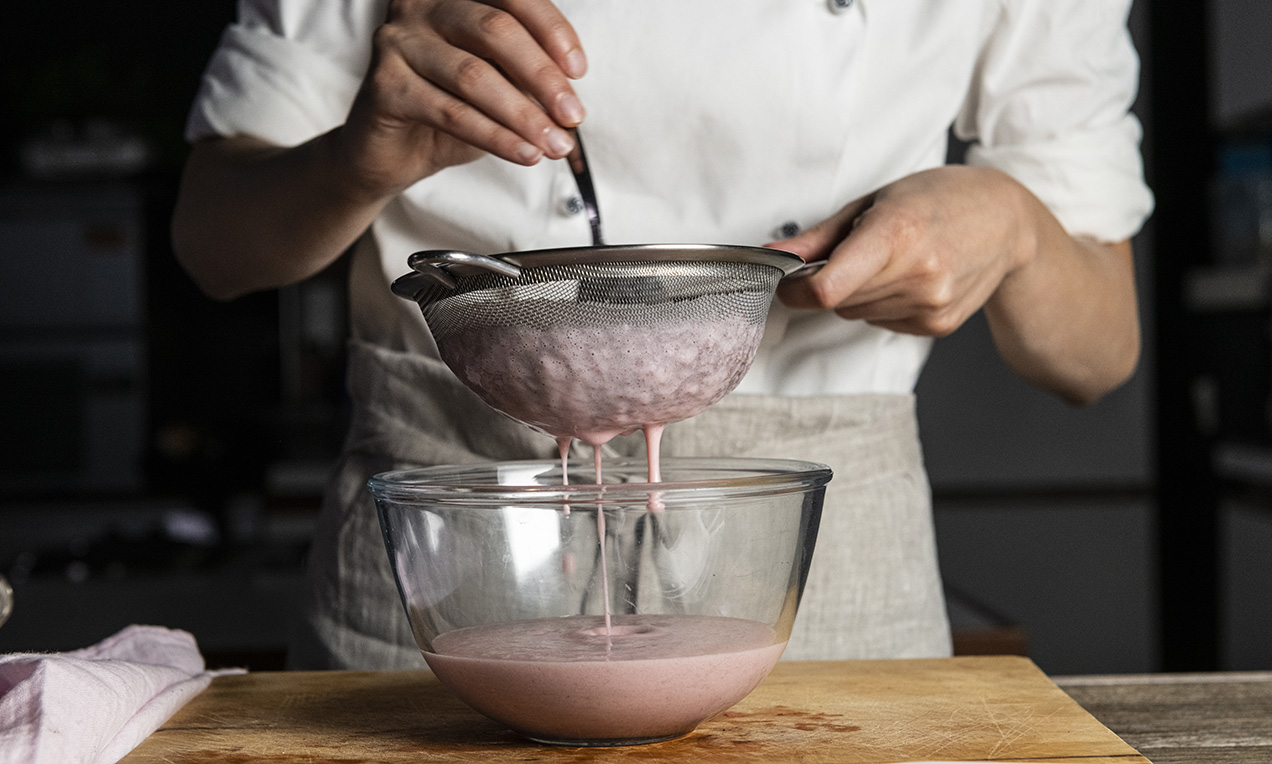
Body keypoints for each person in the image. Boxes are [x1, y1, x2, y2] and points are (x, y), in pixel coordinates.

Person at [172, 0, 1154, 669]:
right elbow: (214, 242)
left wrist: (1017, 227)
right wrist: (358, 155)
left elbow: (1098, 352)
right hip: (447, 573)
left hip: (825, 587)